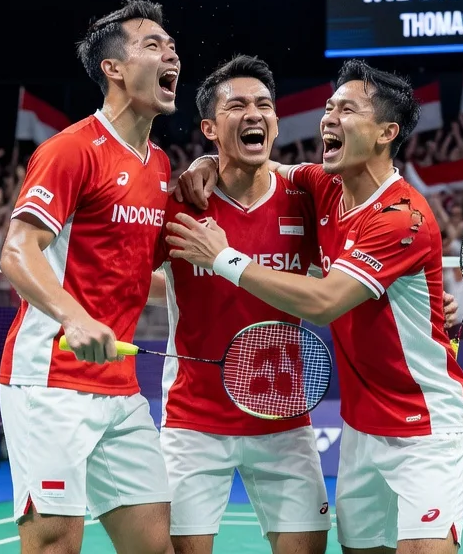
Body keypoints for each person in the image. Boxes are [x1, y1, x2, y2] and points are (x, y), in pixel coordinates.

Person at [168, 59, 463, 554]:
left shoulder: (403, 218)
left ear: (385, 133)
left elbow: (327, 301)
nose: (327, 118)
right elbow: (262, 167)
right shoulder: (322, 186)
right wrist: (205, 162)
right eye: (328, 107)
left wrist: (222, 257)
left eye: (346, 110)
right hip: (360, 427)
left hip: (425, 425)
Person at [0, 0, 178, 554]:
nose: (171, 52)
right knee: (56, 544)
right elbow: (17, 249)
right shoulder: (71, 150)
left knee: (155, 545)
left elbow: (136, 274)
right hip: (50, 378)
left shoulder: (161, 166)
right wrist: (74, 317)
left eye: (171, 45)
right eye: (153, 44)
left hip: (119, 386)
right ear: (114, 68)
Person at [154, 56, 329, 554]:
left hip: (284, 418)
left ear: (275, 124)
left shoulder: (304, 197)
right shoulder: (181, 206)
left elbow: (351, 279)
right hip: (195, 420)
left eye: (264, 105)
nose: (254, 113)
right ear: (209, 127)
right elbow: (126, 278)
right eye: (237, 105)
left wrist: (428, 305)